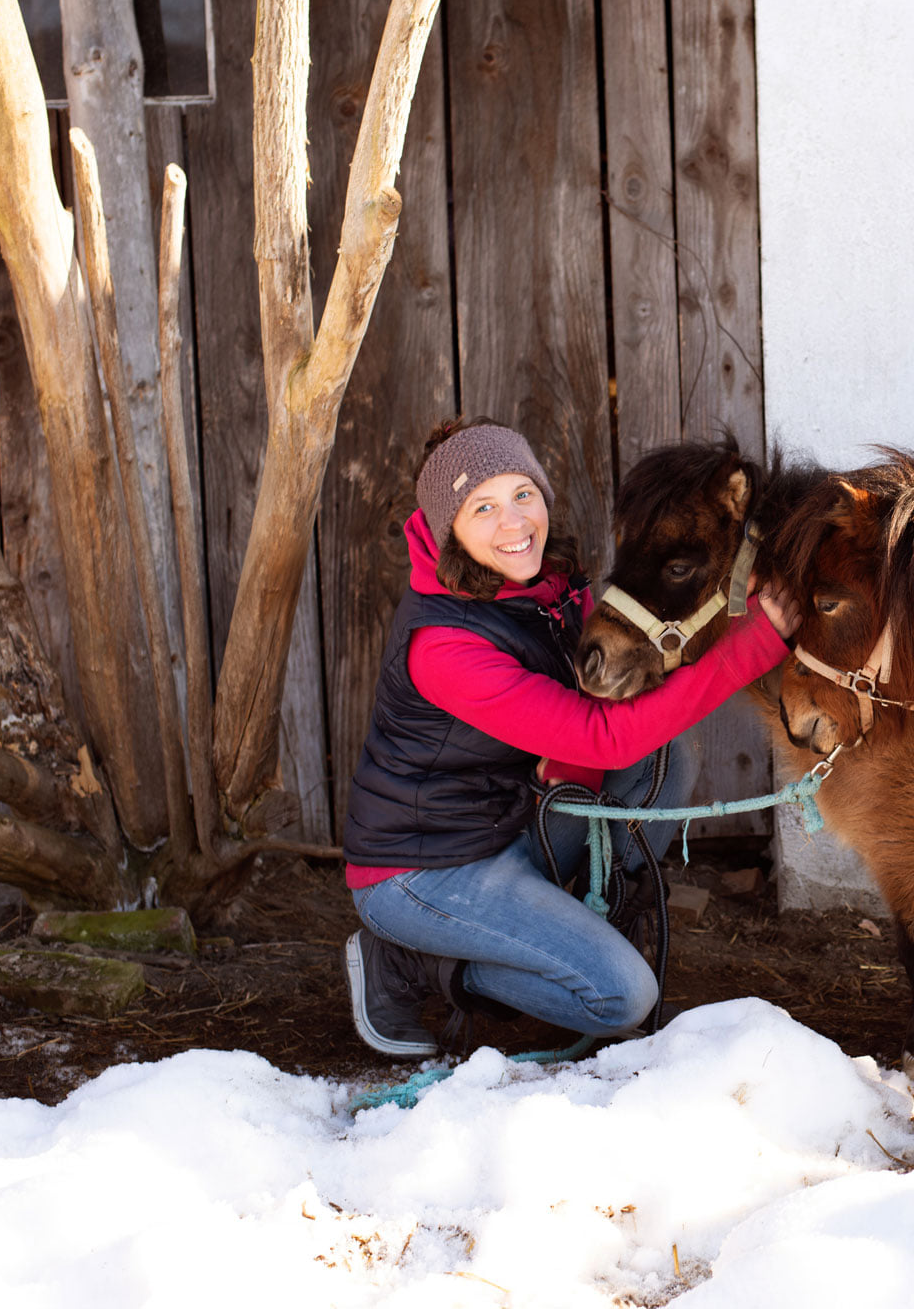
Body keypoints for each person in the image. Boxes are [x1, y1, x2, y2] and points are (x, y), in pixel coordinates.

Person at [342, 419, 798, 1058]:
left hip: (504, 824)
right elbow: (598, 739)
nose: (514, 523)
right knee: (620, 998)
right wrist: (754, 647)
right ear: (452, 529)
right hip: (425, 871)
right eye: (484, 508)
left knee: (665, 757)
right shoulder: (445, 647)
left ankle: (601, 919)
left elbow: (650, 668)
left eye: (523, 494)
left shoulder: (547, 585)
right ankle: (411, 963)